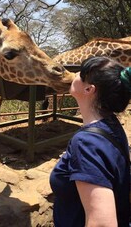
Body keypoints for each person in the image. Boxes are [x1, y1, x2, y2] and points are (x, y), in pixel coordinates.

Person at [50, 56, 131, 227]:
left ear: (88, 89)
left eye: (81, 73)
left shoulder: (86, 143)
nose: (74, 74)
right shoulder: (112, 126)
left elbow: (102, 223)